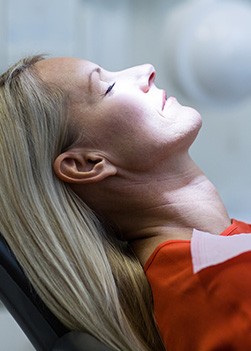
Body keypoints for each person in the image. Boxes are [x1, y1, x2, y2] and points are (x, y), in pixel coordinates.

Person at [0, 55, 251, 351]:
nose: (147, 70)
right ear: (87, 163)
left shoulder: (216, 263)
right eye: (107, 87)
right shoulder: (215, 285)